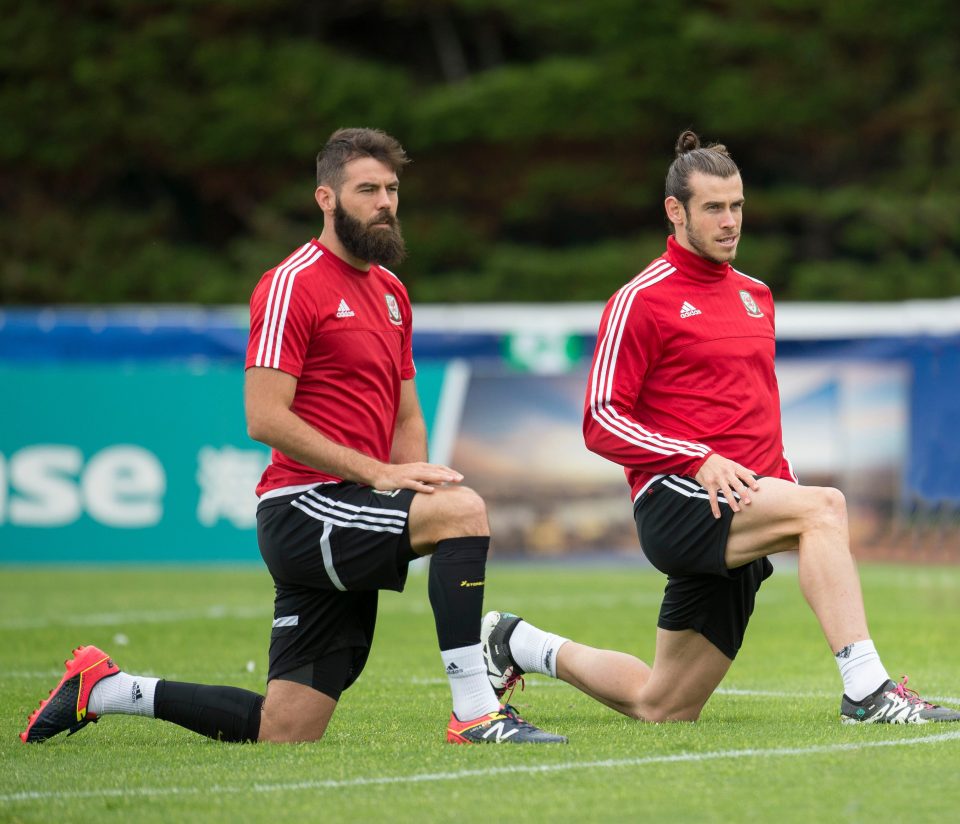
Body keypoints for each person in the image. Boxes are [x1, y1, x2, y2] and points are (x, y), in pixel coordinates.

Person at [21, 127, 565, 746]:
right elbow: (264, 417)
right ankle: (475, 712)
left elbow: (407, 416)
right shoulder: (292, 283)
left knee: (287, 727)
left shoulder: (392, 293)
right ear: (326, 198)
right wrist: (381, 477)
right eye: (367, 190)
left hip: (352, 504)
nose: (385, 202)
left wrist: (405, 492)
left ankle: (108, 688)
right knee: (464, 511)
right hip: (303, 507)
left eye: (392, 189)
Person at [481, 129, 960, 726]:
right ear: (675, 211)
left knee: (663, 706)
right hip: (679, 500)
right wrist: (697, 459)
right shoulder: (641, 299)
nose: (730, 221)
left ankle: (518, 642)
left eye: (736, 206)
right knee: (826, 507)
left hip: (745, 502)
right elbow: (600, 419)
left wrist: (781, 488)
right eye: (713, 208)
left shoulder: (757, 295)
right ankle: (867, 691)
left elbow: (760, 417)